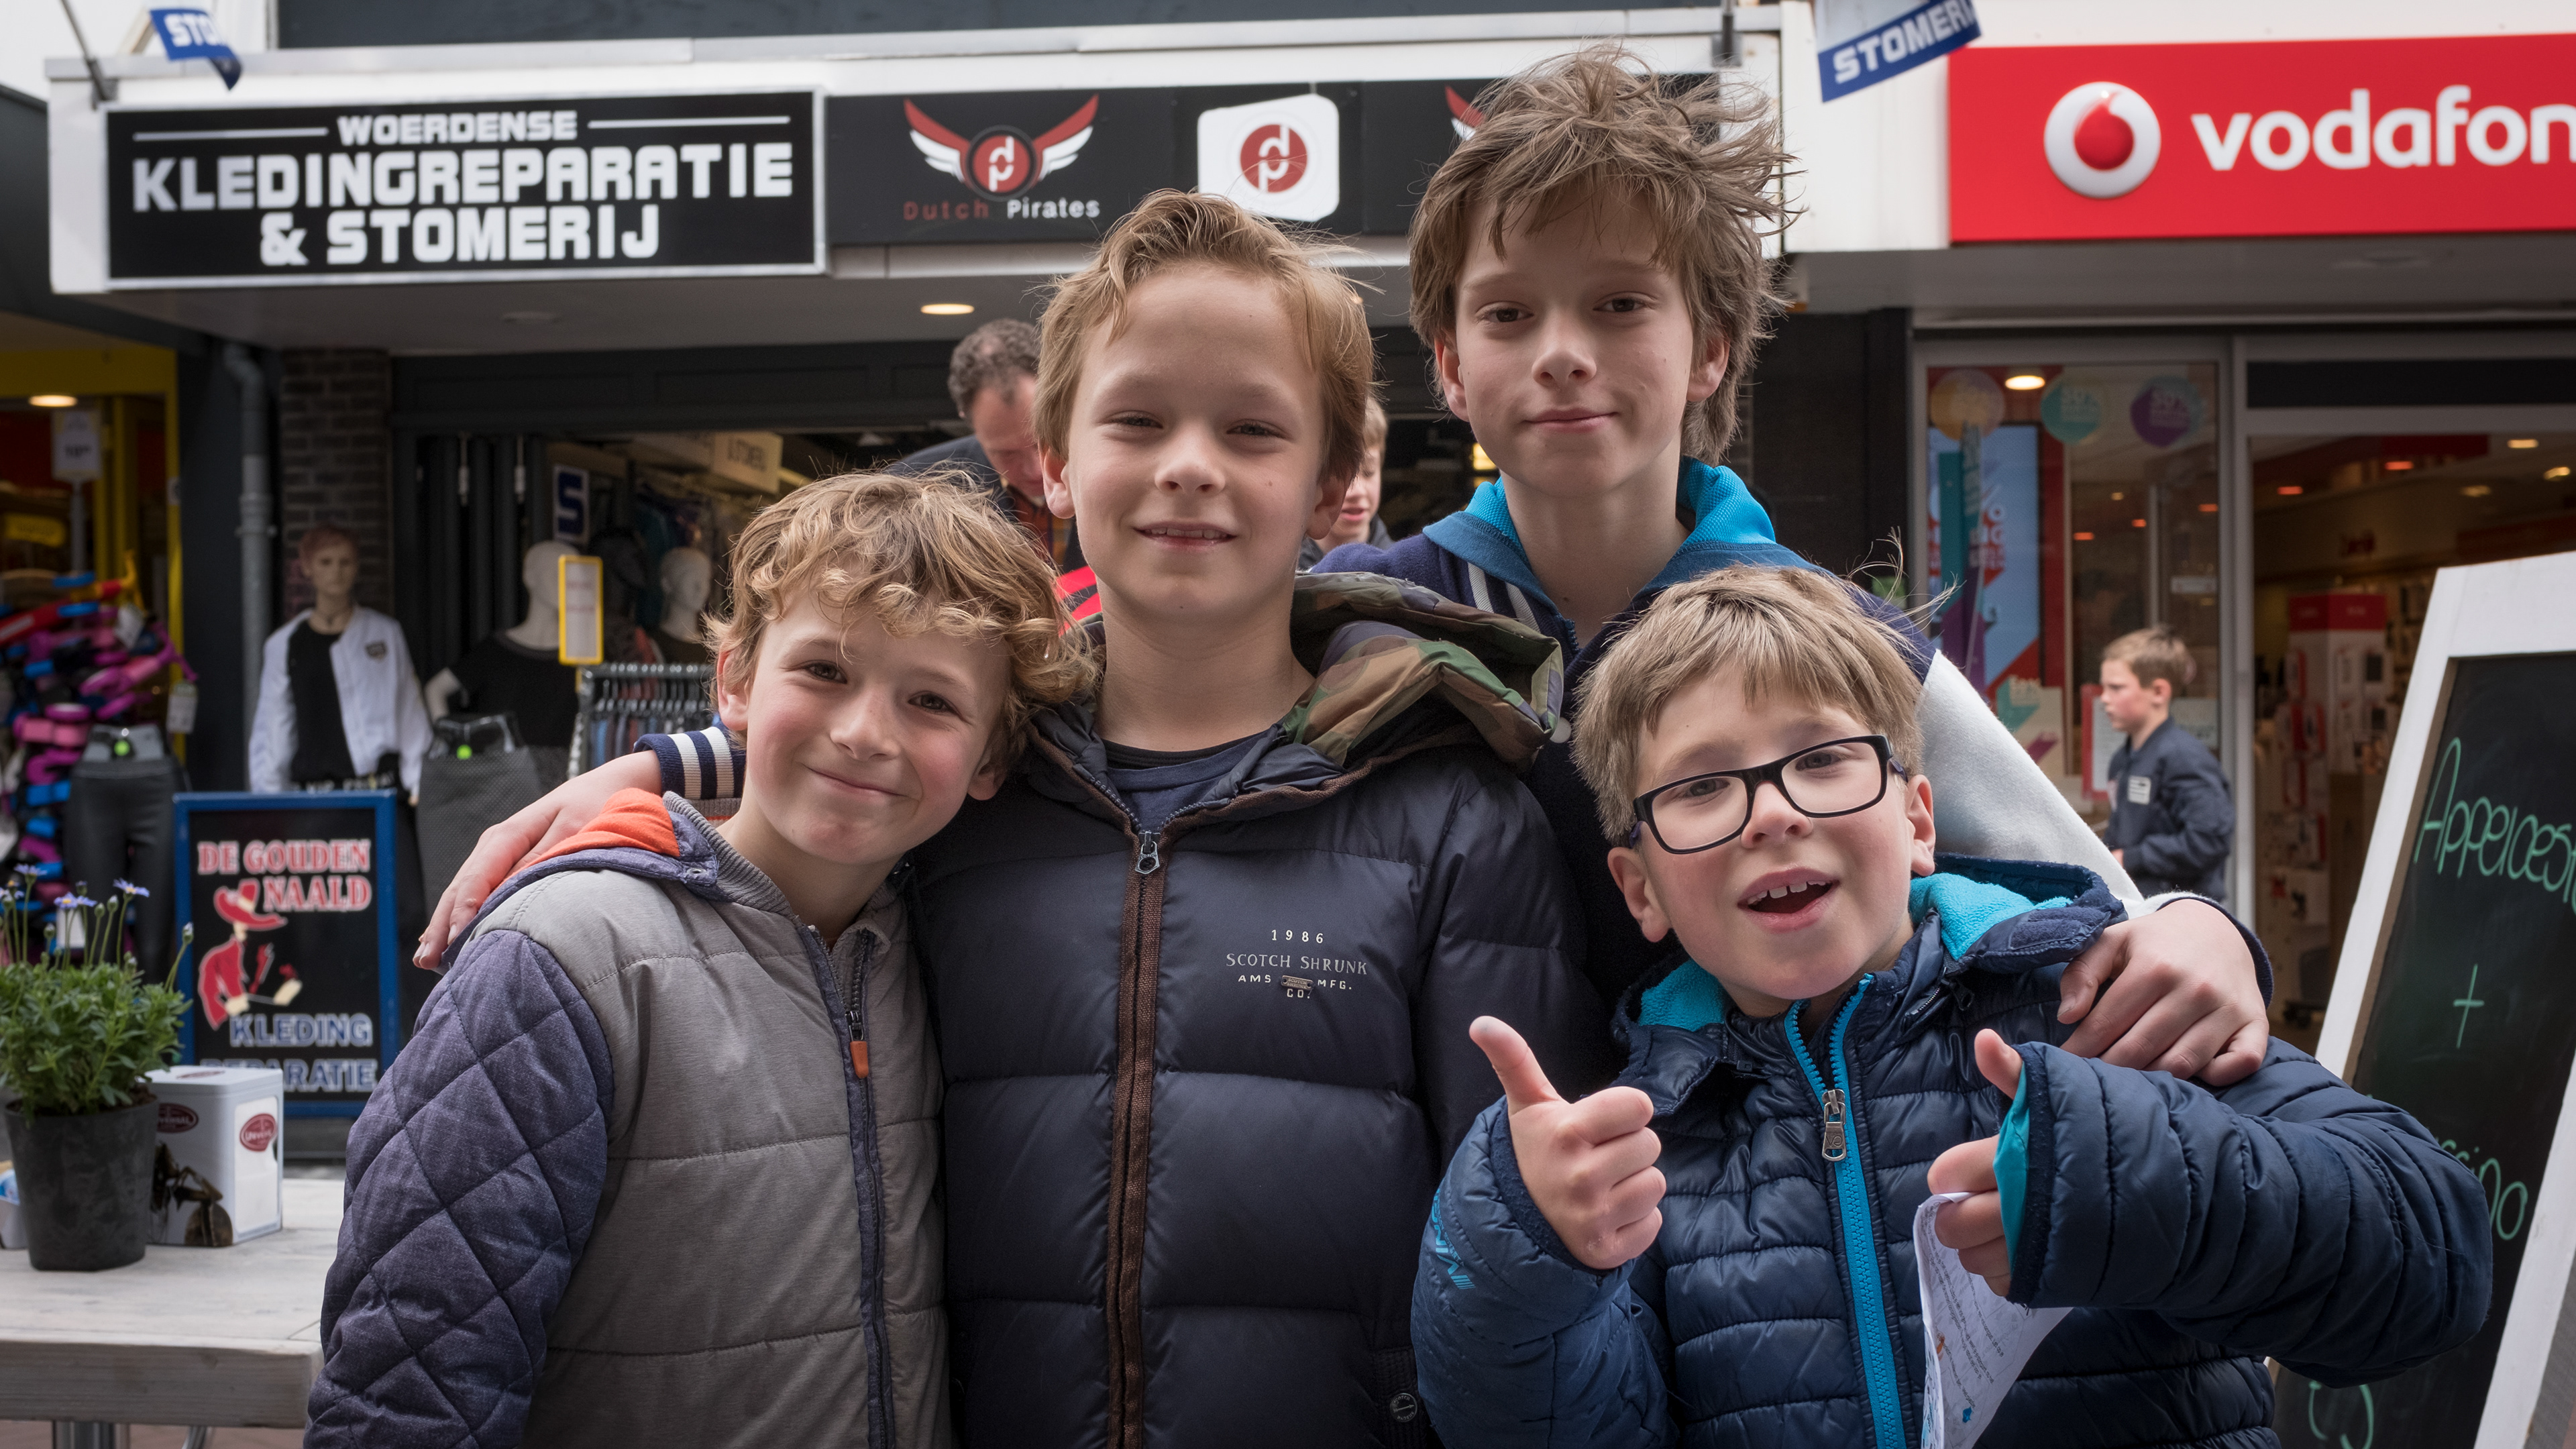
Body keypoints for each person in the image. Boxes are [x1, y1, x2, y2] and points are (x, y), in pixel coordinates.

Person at [420, 191, 1601, 1445]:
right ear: (1053, 463)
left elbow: (1527, 1242)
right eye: (1138, 419)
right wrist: (669, 768)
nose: (1189, 463)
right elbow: (838, 755)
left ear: (1330, 483)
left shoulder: (1455, 817)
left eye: (1252, 428)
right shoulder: (973, 786)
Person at [1316, 48, 2274, 1081]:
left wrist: (2203, 930)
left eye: (1620, 304)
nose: (1562, 352)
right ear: (1450, 364)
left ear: (1712, 347)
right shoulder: (1363, 624)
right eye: (1508, 313)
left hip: (1779, 1181)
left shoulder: (1840, 640)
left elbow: (2094, 902)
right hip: (1453, 1177)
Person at [1413, 566, 2491, 1446]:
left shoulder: (2100, 1003)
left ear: (1920, 820)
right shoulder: (1642, 1140)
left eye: (1823, 760)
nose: (1774, 815)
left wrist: (2130, 1183)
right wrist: (1523, 1254)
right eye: (1700, 787)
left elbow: (2432, 1258)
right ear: (1639, 888)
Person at [306, 472, 1091, 1448]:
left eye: (931, 700)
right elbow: (411, 1393)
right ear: (735, 686)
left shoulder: (943, 945)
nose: (863, 733)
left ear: (991, 759)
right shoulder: (559, 962)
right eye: (825, 671)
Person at [250, 524, 430, 798]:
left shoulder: (385, 633)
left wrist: (418, 783)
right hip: (314, 794)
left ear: (356, 567)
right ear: (307, 567)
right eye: (325, 562)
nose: (336, 571)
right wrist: (269, 796)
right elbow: (273, 724)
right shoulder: (284, 644)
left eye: (345, 562)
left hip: (380, 789)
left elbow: (408, 708)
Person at [891, 317, 1083, 571]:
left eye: (1045, 443)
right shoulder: (912, 489)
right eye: (1007, 454)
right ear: (967, 421)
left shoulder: (1117, 466)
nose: (1036, 470)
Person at [2100, 624, 2233, 897]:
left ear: (2159, 692)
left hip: (2180, 910)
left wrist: (2131, 858)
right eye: (2103, 687)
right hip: (2135, 904)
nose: (2104, 699)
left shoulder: (2184, 757)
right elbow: (2120, 834)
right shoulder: (2121, 760)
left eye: (2116, 688)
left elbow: (2208, 841)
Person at [1299, 395, 1391, 568]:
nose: (1356, 491)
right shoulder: (1277, 572)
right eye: (1338, 474)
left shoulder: (1403, 574)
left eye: (1369, 472)